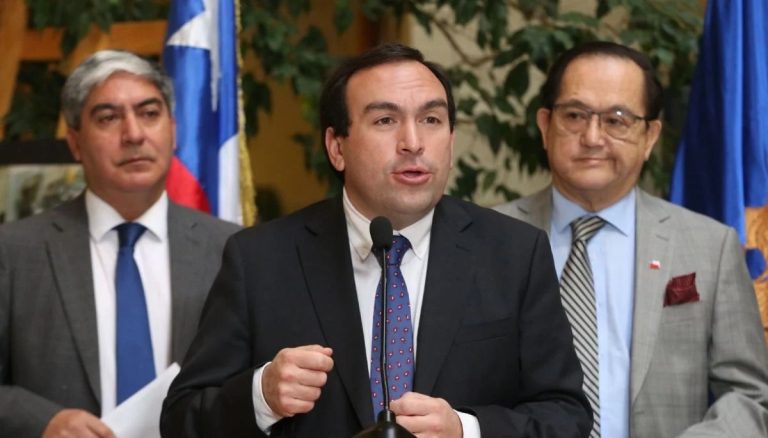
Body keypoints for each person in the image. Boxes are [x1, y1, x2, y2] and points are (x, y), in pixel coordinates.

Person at [161, 42, 592, 437]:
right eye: (386, 120)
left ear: (451, 141)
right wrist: (261, 396)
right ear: (337, 147)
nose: (413, 143)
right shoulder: (260, 260)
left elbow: (566, 416)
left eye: (431, 120)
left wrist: (467, 430)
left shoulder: (514, 253)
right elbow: (182, 419)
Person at [495, 41, 768, 437]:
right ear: (545, 125)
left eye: (617, 120)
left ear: (650, 136)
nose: (592, 137)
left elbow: (750, 394)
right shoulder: (488, 238)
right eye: (575, 115)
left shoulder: (711, 246)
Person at [0, 50, 240, 437]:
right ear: (75, 143)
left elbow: (250, 382)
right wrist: (42, 422)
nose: (134, 134)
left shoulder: (230, 248)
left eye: (149, 113)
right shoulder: (13, 252)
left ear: (173, 129)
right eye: (108, 118)